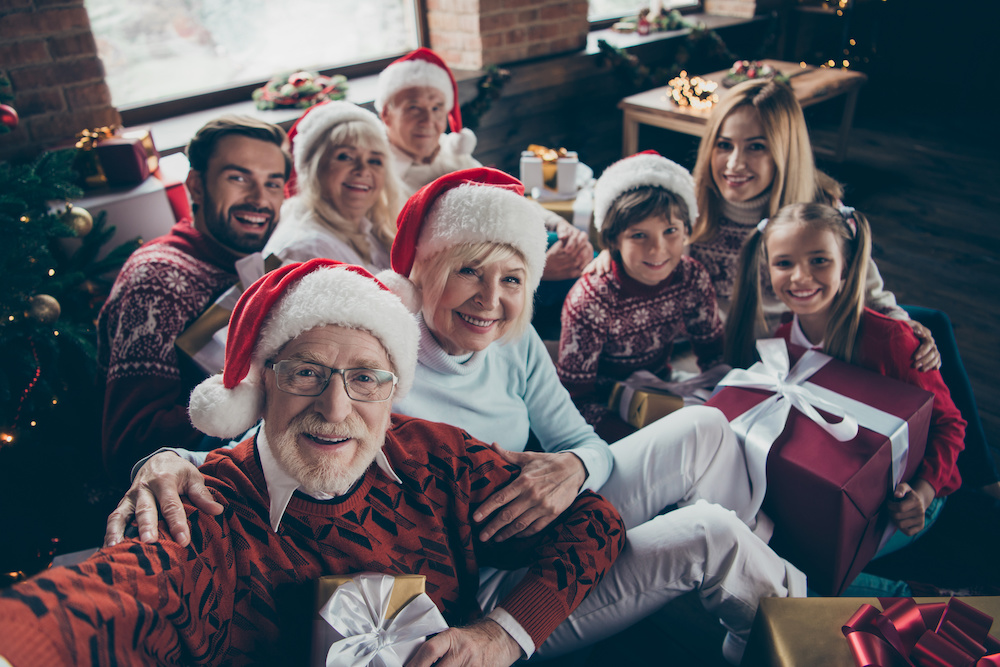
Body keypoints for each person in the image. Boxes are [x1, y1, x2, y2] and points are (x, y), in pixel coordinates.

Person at [114, 169, 807, 665]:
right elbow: (261, 444)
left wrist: (571, 467)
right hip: (476, 590)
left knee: (707, 427)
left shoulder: (516, 346)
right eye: (469, 271)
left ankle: (742, 612)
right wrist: (165, 460)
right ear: (423, 271)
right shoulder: (378, 354)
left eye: (511, 279)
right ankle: (783, 621)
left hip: (541, 526)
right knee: (711, 532)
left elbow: (582, 442)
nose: (491, 299)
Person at [0, 259, 626, 666]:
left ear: (392, 388)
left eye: (364, 378)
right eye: (307, 372)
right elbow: (112, 599)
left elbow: (594, 522)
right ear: (262, 384)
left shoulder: (436, 455)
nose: (335, 406)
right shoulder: (207, 507)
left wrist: (499, 635)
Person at [726, 202, 966, 594]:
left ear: (848, 264)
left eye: (819, 260)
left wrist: (923, 492)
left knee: (804, 576)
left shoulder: (892, 341)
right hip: (837, 493)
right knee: (764, 552)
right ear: (768, 270)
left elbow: (950, 425)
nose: (801, 276)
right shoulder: (781, 343)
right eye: (784, 263)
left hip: (909, 498)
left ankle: (918, 604)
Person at [97, 115, 289, 479]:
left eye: (273, 184)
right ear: (196, 186)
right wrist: (273, 397)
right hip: (199, 487)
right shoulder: (156, 281)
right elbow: (130, 444)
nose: (260, 199)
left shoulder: (263, 259)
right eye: (239, 178)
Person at [376, 46, 593, 286]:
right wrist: (532, 273)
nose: (428, 120)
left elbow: (506, 198)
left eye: (437, 108)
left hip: (510, 254)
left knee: (580, 254)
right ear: (386, 114)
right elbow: (420, 268)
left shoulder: (454, 154)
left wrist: (560, 224)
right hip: (479, 287)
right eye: (413, 108)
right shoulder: (379, 176)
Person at [557, 151, 724, 440]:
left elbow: (714, 356)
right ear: (614, 240)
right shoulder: (591, 300)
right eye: (638, 235)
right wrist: (638, 437)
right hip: (604, 413)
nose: (658, 249)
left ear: (687, 230)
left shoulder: (693, 278)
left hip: (661, 389)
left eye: (670, 230)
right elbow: (575, 401)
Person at [264, 100, 403, 272]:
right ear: (312, 167)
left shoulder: (367, 227)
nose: (363, 170)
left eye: (374, 161)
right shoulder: (307, 251)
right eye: (345, 157)